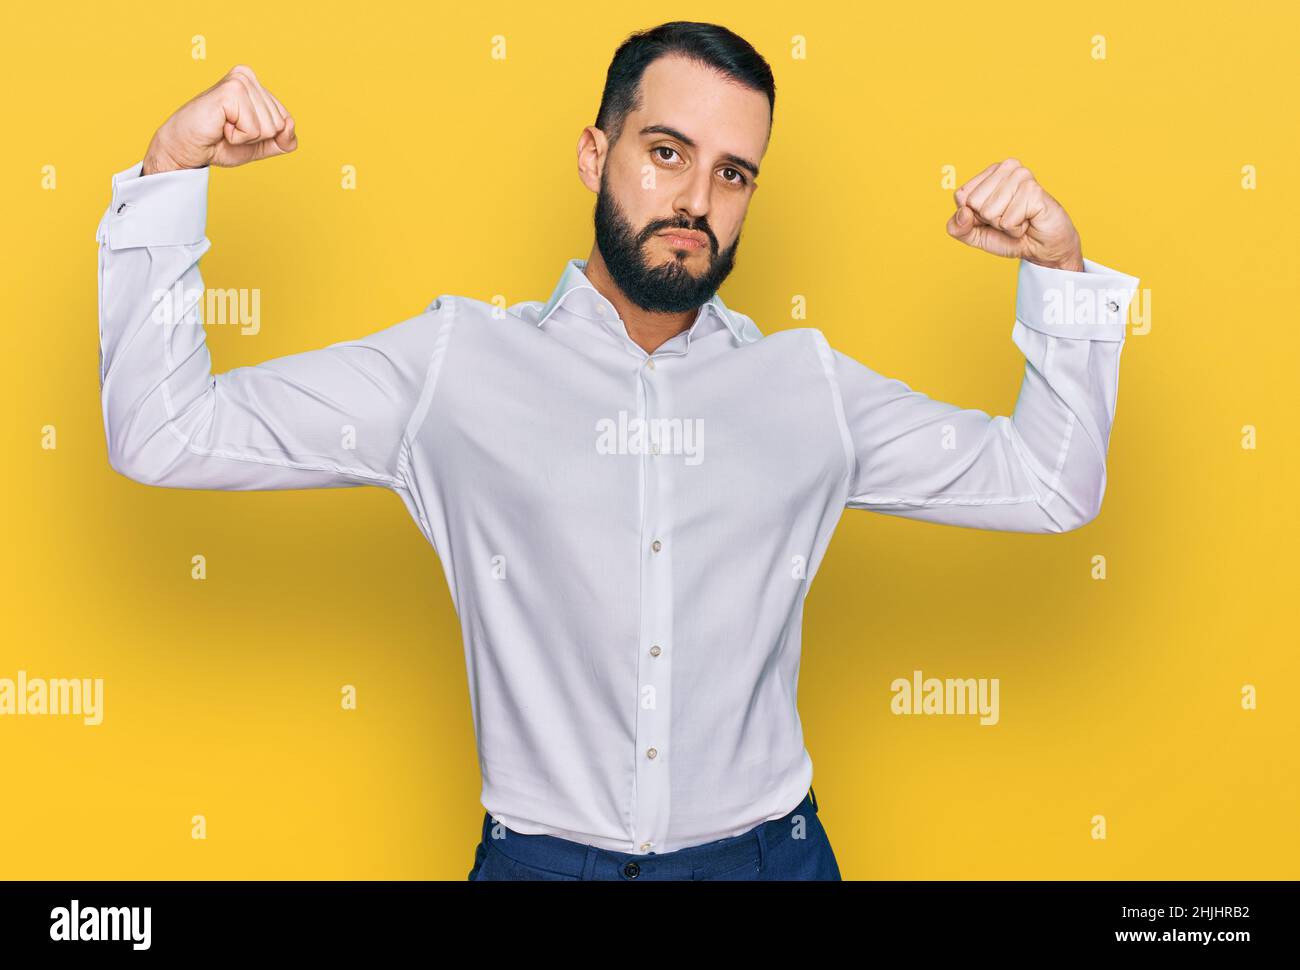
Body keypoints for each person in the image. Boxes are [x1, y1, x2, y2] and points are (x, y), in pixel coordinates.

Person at [96, 21, 1139, 881]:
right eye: (667, 152)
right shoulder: (454, 366)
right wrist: (171, 171)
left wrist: (1059, 269)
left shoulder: (807, 385)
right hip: (540, 863)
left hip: (772, 860)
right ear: (597, 154)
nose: (695, 202)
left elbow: (1048, 486)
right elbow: (166, 432)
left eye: (734, 174)